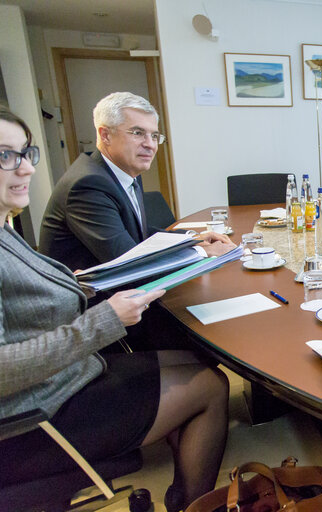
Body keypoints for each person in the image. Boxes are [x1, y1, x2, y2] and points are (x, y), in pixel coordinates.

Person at [0, 106, 229, 512]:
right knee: (212, 386)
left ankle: (183, 492)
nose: (27, 170)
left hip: (68, 371)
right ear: (105, 136)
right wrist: (102, 321)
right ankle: (195, 503)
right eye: (5, 156)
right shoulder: (86, 185)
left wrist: (189, 245)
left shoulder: (6, 227)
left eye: (26, 154)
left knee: (196, 362)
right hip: (41, 412)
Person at [38, 91, 234, 272]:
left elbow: (137, 232)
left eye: (154, 135)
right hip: (94, 301)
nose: (150, 144)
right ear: (105, 135)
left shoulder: (122, 170)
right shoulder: (88, 185)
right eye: (138, 133)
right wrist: (202, 252)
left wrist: (191, 239)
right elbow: (129, 262)